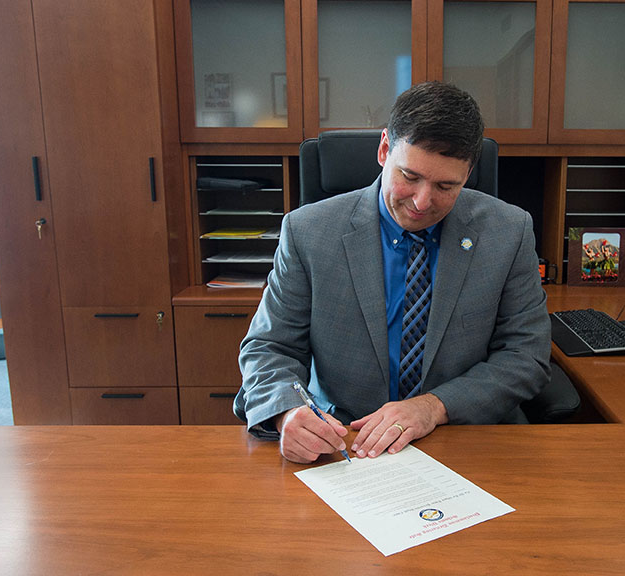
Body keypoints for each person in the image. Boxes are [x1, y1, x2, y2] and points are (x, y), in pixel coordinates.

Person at [234, 81, 551, 463]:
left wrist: (433, 407)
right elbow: (270, 346)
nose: (422, 202)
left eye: (446, 186)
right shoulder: (309, 232)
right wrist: (287, 414)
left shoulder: (508, 232)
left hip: (463, 438)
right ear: (384, 149)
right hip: (346, 441)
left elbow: (526, 355)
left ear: (469, 174)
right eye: (410, 177)